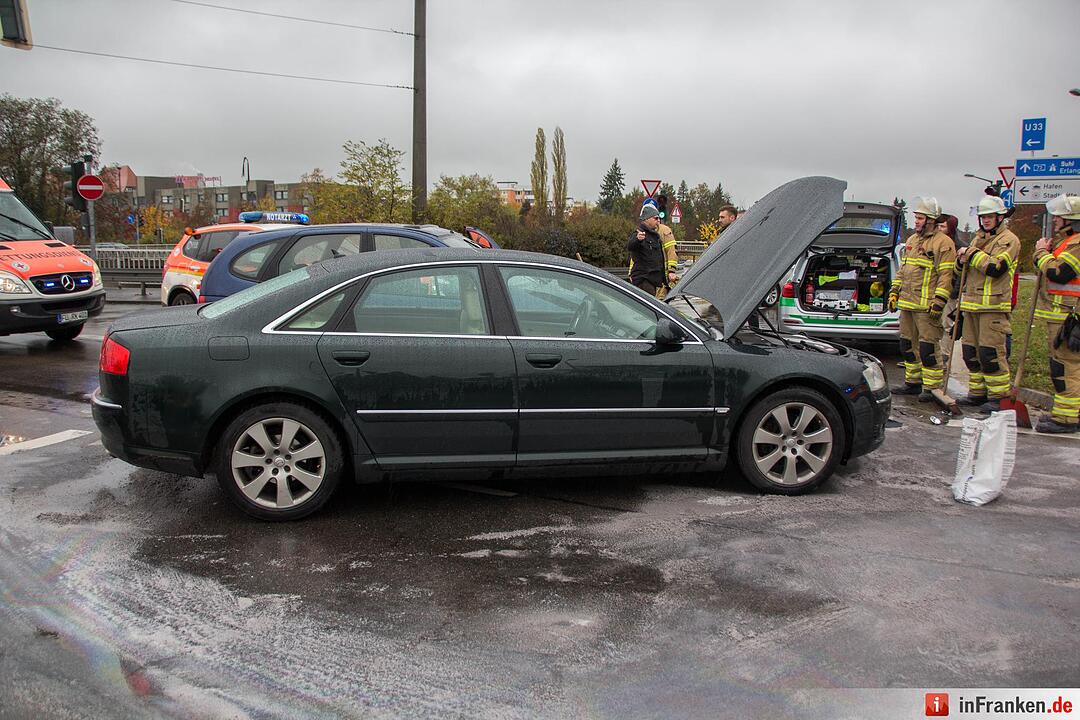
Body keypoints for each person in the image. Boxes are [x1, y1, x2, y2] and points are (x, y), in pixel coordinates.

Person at [955, 194, 1020, 413]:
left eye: (990, 216)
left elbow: (996, 268)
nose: (986, 220)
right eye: (983, 217)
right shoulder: (977, 239)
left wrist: (971, 253)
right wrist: (960, 260)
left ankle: (999, 397)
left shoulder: (1008, 240)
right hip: (972, 305)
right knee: (971, 353)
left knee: (991, 354)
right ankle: (977, 393)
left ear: (1000, 217)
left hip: (993, 307)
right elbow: (963, 271)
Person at [888, 197, 955, 400]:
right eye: (915, 218)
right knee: (907, 345)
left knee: (928, 348)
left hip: (927, 307)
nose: (916, 221)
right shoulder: (912, 241)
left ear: (931, 220)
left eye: (920, 218)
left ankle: (932, 387)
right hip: (908, 304)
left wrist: (939, 301)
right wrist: (894, 291)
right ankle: (913, 382)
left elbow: (946, 276)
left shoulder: (943, 244)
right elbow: (903, 271)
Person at [1032, 193, 1080, 433]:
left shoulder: (1077, 244)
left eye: (1060, 216)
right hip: (1061, 314)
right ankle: (1067, 415)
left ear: (1072, 220)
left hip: (1069, 316)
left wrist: (1042, 252)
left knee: (1066, 367)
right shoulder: (1066, 243)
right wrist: (1044, 253)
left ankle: (1067, 419)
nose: (1056, 219)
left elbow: (1059, 273)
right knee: (1064, 365)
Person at [935, 213, 961, 366]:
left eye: (943, 226)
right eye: (938, 226)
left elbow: (958, 275)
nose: (939, 229)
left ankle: (945, 355)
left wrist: (954, 293)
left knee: (947, 324)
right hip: (936, 291)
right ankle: (935, 355)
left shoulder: (958, 247)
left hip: (950, 294)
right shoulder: (936, 244)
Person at [627, 204, 665, 297]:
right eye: (655, 218)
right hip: (643, 280)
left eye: (659, 218)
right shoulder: (639, 233)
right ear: (647, 219)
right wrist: (638, 239)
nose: (658, 221)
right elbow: (630, 246)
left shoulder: (654, 235)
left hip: (652, 280)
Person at [654, 196, 679, 299]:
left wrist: (671, 271)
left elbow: (671, 251)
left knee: (659, 302)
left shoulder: (664, 230)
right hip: (649, 278)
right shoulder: (642, 232)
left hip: (661, 277)